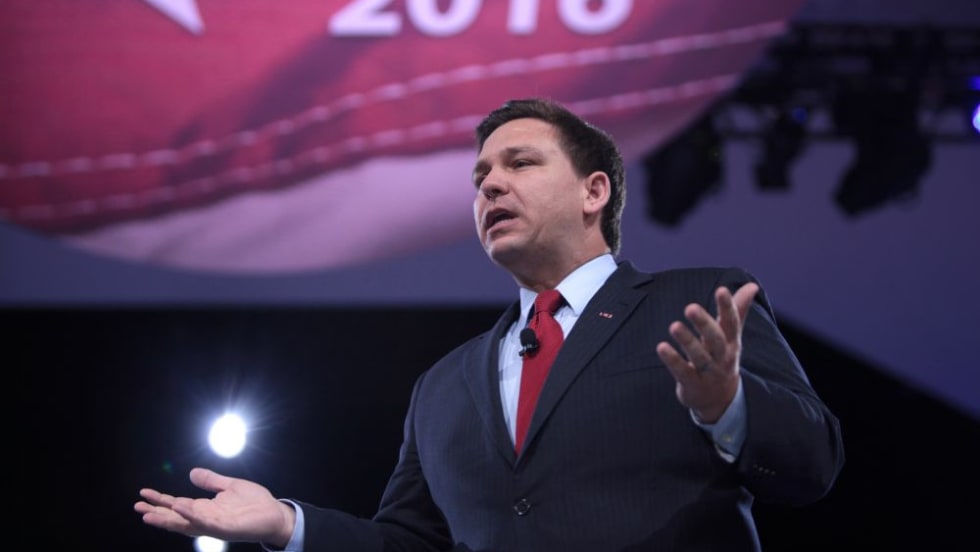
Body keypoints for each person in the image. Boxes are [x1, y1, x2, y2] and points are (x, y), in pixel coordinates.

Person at [135, 97, 844, 551]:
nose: (491, 185)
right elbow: (409, 543)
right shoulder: (442, 386)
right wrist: (289, 524)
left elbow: (813, 464)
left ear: (594, 191)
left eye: (520, 164)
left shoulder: (698, 302)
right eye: (480, 179)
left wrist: (728, 407)